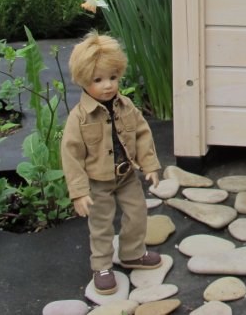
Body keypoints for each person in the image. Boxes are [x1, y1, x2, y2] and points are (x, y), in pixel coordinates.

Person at [61, 32, 162, 295]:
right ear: (83, 80)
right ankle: (102, 266)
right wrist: (79, 192)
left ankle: (133, 252)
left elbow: (142, 134)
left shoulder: (126, 106)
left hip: (126, 175)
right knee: (101, 224)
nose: (107, 85)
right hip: (98, 182)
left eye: (113, 78)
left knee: (137, 212)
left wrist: (150, 165)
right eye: (98, 80)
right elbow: (71, 155)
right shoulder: (79, 118)